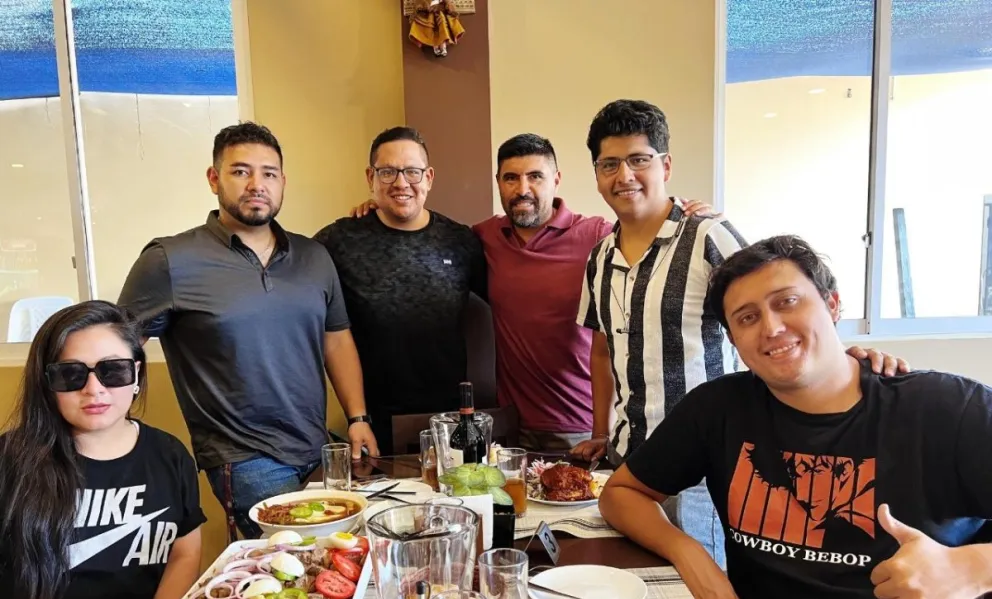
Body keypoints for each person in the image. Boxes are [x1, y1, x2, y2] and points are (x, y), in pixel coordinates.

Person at [599, 235, 992, 599]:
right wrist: (687, 551)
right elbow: (621, 493)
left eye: (787, 302)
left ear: (831, 304)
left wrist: (972, 568)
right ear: (734, 343)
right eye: (746, 318)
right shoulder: (720, 409)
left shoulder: (946, 411)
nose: (772, 328)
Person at [573, 99, 904, 566]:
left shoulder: (710, 235)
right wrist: (601, 431)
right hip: (628, 463)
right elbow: (603, 347)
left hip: (705, 467)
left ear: (665, 165)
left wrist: (842, 358)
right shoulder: (600, 256)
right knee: (639, 593)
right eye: (609, 164)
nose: (624, 175)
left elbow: (777, 310)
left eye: (638, 160)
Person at [348, 132, 718, 451]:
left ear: (556, 179)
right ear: (498, 182)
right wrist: (375, 209)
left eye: (535, 177)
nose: (522, 189)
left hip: (582, 427)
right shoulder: (482, 238)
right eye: (510, 178)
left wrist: (682, 211)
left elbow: (649, 235)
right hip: (509, 429)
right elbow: (422, 232)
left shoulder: (596, 236)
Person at [118, 122, 376, 541]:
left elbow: (336, 338)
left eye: (269, 173)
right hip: (242, 456)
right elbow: (117, 350)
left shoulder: (313, 256)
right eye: (241, 171)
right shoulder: (171, 259)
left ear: (282, 182)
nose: (257, 184)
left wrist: (357, 417)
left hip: (315, 447)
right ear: (214, 178)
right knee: (291, 564)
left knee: (337, 560)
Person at [0, 301, 204, 599]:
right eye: (70, 374)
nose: (94, 389)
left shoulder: (168, 455)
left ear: (135, 376)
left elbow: (185, 551)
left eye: (112, 371)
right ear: (46, 383)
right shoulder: (10, 464)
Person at [313, 126, 487, 454]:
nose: (401, 183)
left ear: (430, 177)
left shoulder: (461, 241)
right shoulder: (340, 241)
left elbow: (511, 298)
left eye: (412, 171)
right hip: (370, 425)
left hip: (450, 422)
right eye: (388, 172)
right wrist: (356, 418)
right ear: (371, 177)